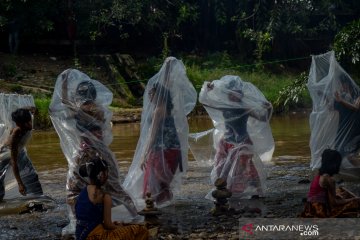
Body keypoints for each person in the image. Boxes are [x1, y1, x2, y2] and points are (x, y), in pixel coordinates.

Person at [49, 69, 137, 236]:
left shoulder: (86, 109)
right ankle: (134, 214)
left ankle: (79, 221)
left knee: (74, 188)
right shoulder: (98, 108)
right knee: (114, 186)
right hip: (99, 152)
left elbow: (64, 104)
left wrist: (65, 83)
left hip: (88, 153)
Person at [123, 57, 197, 207]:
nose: (149, 96)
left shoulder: (158, 111)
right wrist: (168, 68)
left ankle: (155, 210)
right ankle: (165, 209)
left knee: (152, 183)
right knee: (162, 184)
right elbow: (167, 85)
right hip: (174, 150)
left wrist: (144, 154)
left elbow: (153, 134)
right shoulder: (169, 108)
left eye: (152, 94)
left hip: (162, 150)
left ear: (158, 95)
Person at [199, 75, 274, 199]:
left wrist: (269, 109)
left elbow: (263, 118)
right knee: (220, 166)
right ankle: (224, 189)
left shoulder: (244, 108)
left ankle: (257, 190)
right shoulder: (225, 105)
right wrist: (207, 90)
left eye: (236, 93)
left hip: (242, 142)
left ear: (239, 94)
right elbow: (207, 104)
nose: (233, 95)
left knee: (247, 167)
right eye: (231, 93)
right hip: (226, 141)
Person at [75, 157, 149, 240]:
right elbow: (108, 225)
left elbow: (90, 219)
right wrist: (119, 227)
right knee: (141, 230)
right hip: (96, 237)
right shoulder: (104, 196)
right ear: (102, 175)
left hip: (80, 236)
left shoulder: (83, 191)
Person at [301, 149, 360, 217]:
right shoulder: (329, 180)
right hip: (320, 210)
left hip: (310, 207)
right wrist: (354, 199)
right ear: (335, 164)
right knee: (355, 202)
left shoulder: (319, 173)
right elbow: (334, 203)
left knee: (340, 191)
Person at [0, 107, 43, 201]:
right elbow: (13, 161)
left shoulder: (28, 117)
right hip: (5, 153)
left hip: (20, 150)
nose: (29, 125)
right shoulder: (17, 133)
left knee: (31, 174)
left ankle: (37, 197)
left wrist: (25, 109)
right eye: (24, 123)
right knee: (0, 179)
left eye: (29, 121)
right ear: (18, 124)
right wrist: (20, 184)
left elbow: (33, 109)